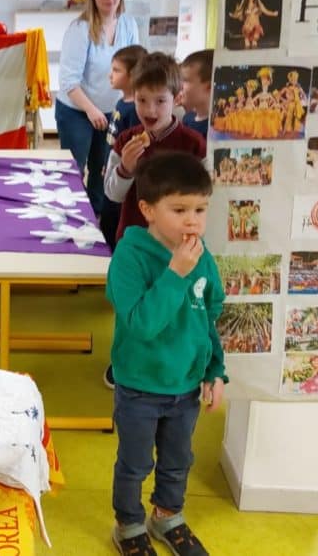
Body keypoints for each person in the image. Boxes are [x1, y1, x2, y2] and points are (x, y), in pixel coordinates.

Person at [106, 151, 225, 556]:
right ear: (148, 210)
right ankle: (129, 524)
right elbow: (140, 324)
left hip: (185, 385)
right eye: (179, 209)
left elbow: (208, 316)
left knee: (178, 460)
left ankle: (167, 515)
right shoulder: (130, 257)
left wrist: (215, 370)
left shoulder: (201, 254)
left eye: (200, 209)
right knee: (135, 463)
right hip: (139, 383)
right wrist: (175, 273)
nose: (192, 220)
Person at [101, 52, 205, 389]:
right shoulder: (126, 139)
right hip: (133, 239)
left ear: (176, 99)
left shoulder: (192, 144)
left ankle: (167, 365)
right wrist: (125, 169)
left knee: (171, 300)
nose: (149, 110)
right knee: (131, 304)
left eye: (159, 101)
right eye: (142, 100)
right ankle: (125, 363)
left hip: (176, 242)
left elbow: (201, 197)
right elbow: (112, 196)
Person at [56, 0, 140, 214]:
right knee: (75, 169)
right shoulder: (80, 29)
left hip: (111, 110)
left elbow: (137, 66)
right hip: (77, 110)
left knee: (103, 170)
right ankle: (69, 217)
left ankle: (95, 222)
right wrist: (91, 110)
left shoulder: (128, 24)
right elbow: (69, 80)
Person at [99, 44, 147, 247]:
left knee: (113, 216)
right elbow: (114, 143)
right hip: (114, 169)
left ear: (133, 75)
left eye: (117, 70)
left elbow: (132, 146)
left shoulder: (135, 111)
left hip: (125, 178)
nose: (110, 75)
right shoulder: (121, 103)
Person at [179, 50, 213, 140]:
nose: (179, 85)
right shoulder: (187, 118)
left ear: (210, 86)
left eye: (185, 80)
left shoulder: (216, 129)